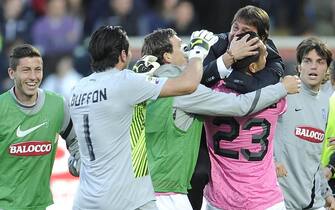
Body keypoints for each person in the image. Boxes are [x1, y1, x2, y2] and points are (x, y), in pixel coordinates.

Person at [140, 29, 299, 210]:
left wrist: (227, 58)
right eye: (180, 46)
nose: (188, 50)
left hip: (142, 188)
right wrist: (282, 88)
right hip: (167, 194)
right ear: (167, 56)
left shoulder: (143, 82)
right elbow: (240, 105)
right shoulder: (183, 90)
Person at [68, 25, 218, 210]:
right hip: (123, 199)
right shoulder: (126, 82)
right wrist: (198, 52)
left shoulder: (77, 89)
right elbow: (188, 84)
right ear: (123, 55)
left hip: (85, 199)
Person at [188, 5, 285, 209]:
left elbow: (192, 84)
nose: (236, 37)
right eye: (234, 28)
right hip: (264, 199)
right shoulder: (278, 94)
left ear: (261, 39)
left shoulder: (212, 92)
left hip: (221, 199)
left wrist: (228, 69)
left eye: (246, 33)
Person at [0, 44, 80, 210]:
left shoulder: (57, 105)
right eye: (26, 70)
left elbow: (76, 139)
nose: (33, 76)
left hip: (39, 204)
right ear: (11, 73)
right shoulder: (1, 108)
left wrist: (79, 160)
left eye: (38, 69)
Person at [274, 37, 335, 210]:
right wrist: (271, 161)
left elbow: (314, 158)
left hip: (312, 201)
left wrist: (327, 193)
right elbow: (257, 133)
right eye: (307, 61)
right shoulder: (282, 93)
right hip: (280, 201)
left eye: (320, 62)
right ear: (299, 66)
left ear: (326, 68)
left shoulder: (325, 103)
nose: (313, 66)